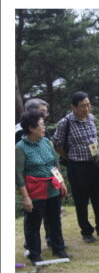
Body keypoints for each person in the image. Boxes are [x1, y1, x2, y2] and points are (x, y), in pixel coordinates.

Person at [53, 91, 99, 243]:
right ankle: (86, 232)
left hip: (94, 163)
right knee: (81, 201)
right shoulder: (65, 123)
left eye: (88, 105)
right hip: (78, 166)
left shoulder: (91, 118)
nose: (86, 108)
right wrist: (69, 157)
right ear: (73, 107)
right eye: (82, 106)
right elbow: (57, 144)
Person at [16, 110, 69, 264]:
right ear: (31, 128)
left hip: (52, 187)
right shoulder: (20, 148)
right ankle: (34, 253)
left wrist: (61, 182)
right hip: (34, 190)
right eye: (41, 124)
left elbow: (55, 164)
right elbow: (18, 175)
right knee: (33, 223)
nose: (44, 127)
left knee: (54, 220)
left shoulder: (46, 141)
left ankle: (58, 249)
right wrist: (25, 197)